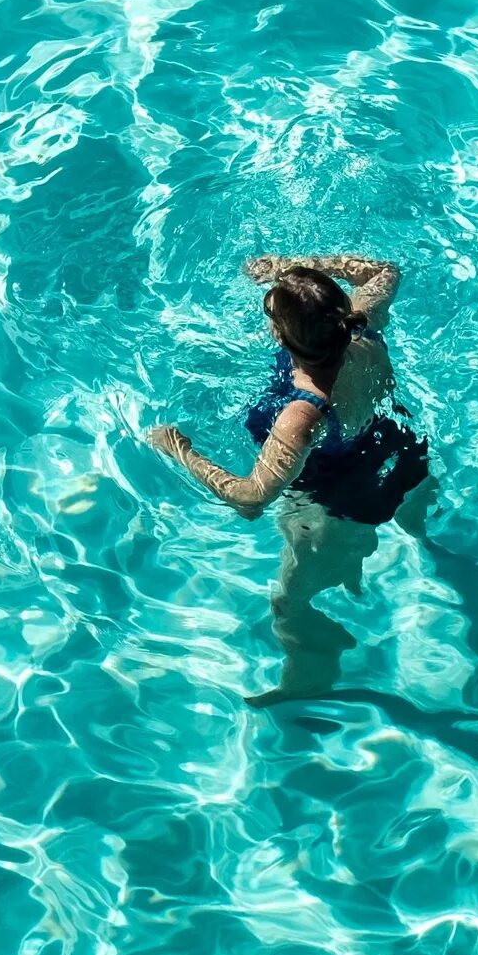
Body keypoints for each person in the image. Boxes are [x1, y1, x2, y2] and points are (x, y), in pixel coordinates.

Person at [147, 253, 434, 702]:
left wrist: (180, 451)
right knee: (418, 530)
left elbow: (251, 499)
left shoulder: (301, 415)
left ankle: (309, 679)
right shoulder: (364, 322)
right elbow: (385, 271)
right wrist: (294, 268)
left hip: (337, 505)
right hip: (405, 454)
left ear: (280, 334)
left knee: (290, 604)